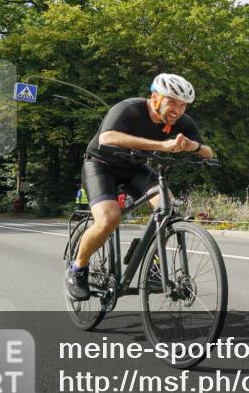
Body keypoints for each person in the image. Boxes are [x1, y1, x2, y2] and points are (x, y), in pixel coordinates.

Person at [66, 74, 213, 300]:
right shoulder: (129, 109)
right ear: (155, 98)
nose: (178, 110)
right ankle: (78, 270)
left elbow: (207, 152)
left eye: (183, 105)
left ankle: (153, 265)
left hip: (134, 167)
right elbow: (107, 137)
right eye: (172, 102)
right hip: (101, 165)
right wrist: (161, 146)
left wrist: (192, 145)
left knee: (168, 207)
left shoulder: (182, 121)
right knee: (108, 220)